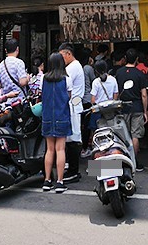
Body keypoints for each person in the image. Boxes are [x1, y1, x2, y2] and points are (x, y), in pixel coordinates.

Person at [40, 52, 73, 193]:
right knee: (60, 149)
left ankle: (47, 180)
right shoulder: (67, 79)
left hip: (47, 117)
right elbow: (69, 97)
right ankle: (60, 182)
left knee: (49, 150)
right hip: (62, 116)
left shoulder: (43, 79)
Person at [113, 48, 148, 169]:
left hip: (123, 107)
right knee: (135, 135)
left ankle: (123, 161)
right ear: (137, 60)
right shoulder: (140, 74)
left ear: (125, 59)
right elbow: (144, 94)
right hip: (137, 107)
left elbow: (116, 93)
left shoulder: (119, 73)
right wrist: (145, 111)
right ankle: (134, 162)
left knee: (123, 135)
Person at [58, 43, 85, 182]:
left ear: (68, 54)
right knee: (70, 138)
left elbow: (63, 82)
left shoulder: (73, 67)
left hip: (73, 106)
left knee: (73, 138)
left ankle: (74, 171)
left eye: (62, 56)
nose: (61, 59)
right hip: (73, 106)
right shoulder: (74, 66)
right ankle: (71, 169)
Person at [0, 38, 29, 105]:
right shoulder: (19, 62)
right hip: (19, 102)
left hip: (6, 102)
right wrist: (27, 78)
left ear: (5, 50)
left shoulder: (1, 64)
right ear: (17, 49)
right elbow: (22, 82)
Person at [89, 60, 117, 132]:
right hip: (110, 111)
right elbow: (115, 96)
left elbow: (93, 100)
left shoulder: (96, 82)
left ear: (96, 71)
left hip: (99, 111)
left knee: (96, 131)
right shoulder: (113, 80)